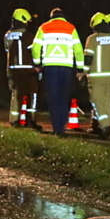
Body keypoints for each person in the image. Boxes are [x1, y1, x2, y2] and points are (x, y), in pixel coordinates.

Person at [31, 8, 83, 136]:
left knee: (53, 98)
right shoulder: (71, 28)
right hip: (67, 68)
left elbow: (35, 48)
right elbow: (78, 50)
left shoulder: (44, 27)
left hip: (50, 67)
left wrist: (37, 64)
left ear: (51, 17)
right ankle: (61, 127)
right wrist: (80, 69)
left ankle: (56, 128)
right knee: (64, 98)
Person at [83, 13, 110, 138]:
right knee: (107, 103)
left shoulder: (92, 39)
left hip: (96, 77)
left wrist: (83, 72)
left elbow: (88, 58)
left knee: (97, 102)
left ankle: (106, 127)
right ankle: (105, 126)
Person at [4, 8, 40, 129]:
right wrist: (38, 66)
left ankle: (14, 120)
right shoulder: (28, 36)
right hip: (28, 70)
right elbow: (33, 51)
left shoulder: (7, 35)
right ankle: (31, 120)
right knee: (32, 95)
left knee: (15, 94)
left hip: (12, 69)